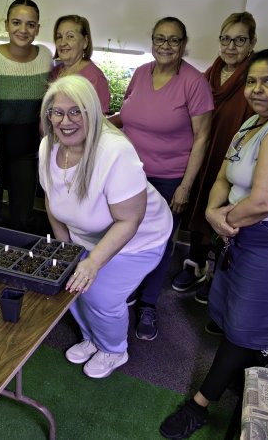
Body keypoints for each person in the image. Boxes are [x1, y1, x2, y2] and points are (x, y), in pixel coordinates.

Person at [160, 49, 268, 439]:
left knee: (248, 329)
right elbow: (224, 173)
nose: (258, 89)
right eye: (252, 81)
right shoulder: (254, 122)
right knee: (231, 313)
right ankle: (240, 376)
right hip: (243, 230)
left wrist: (222, 220)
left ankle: (199, 405)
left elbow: (266, 201)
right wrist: (216, 212)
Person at [39, 75, 172, 379]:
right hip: (85, 235)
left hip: (138, 237)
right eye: (57, 112)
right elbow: (53, 199)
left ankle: (114, 349)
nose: (66, 120)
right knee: (70, 284)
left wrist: (94, 263)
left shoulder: (115, 152)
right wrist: (68, 250)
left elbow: (130, 220)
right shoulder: (49, 146)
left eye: (77, 111)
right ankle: (93, 339)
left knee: (100, 295)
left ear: (93, 113)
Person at [109, 17, 213, 341]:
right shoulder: (140, 73)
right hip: (130, 173)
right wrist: (91, 121)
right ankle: (124, 290)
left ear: (184, 44)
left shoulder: (194, 83)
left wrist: (185, 185)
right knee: (123, 233)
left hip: (169, 178)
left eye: (173, 40)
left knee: (160, 244)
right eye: (160, 39)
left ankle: (148, 305)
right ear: (151, 41)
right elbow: (125, 118)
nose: (165, 46)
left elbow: (202, 137)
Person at [172, 12, 257, 299]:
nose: (231, 47)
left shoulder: (253, 76)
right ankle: (195, 266)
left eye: (239, 40)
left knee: (225, 212)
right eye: (226, 39)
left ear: (252, 43)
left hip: (234, 155)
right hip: (205, 150)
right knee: (198, 205)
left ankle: (217, 277)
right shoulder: (210, 73)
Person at [0, 0, 52, 233]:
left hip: (26, 151)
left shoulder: (45, 56)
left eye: (31, 24)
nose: (23, 30)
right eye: (16, 22)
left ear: (38, 28)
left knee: (22, 219)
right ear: (6, 24)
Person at [48, 15, 110, 112]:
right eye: (59, 37)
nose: (62, 43)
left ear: (85, 42)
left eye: (70, 36)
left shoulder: (95, 78)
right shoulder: (55, 71)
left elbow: (98, 121)